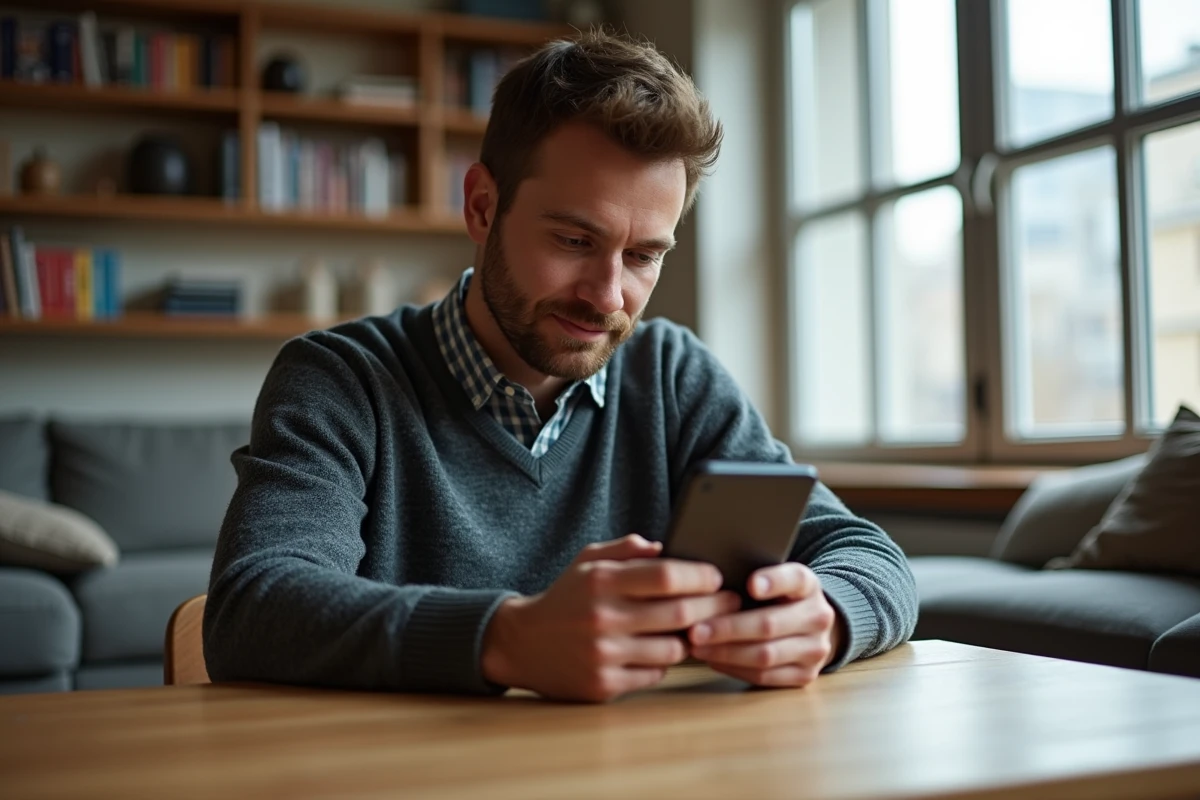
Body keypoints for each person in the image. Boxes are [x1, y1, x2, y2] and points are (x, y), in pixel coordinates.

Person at [204, 30, 917, 703]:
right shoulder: (340, 378)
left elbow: (867, 554)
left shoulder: (673, 375)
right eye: (576, 239)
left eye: (643, 257)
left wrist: (826, 615)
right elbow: (253, 607)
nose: (609, 296)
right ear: (483, 207)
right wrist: (507, 639)